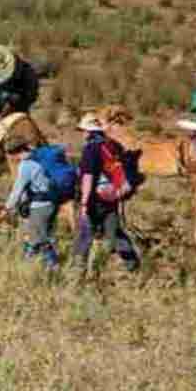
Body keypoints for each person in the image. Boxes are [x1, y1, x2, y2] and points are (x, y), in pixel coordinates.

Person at [72, 117, 141, 277]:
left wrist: (83, 203)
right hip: (112, 197)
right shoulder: (113, 146)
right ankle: (134, 267)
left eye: (83, 131)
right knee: (115, 234)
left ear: (88, 132)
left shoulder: (90, 149)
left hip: (94, 200)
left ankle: (76, 274)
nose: (82, 134)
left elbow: (88, 177)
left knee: (84, 235)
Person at [5, 143, 70, 273]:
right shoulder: (41, 160)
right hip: (52, 203)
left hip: (39, 207)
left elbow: (18, 190)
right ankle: (30, 266)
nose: (15, 158)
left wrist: (7, 208)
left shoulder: (26, 165)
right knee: (42, 235)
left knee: (39, 239)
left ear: (19, 152)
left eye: (15, 155)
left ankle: (52, 268)